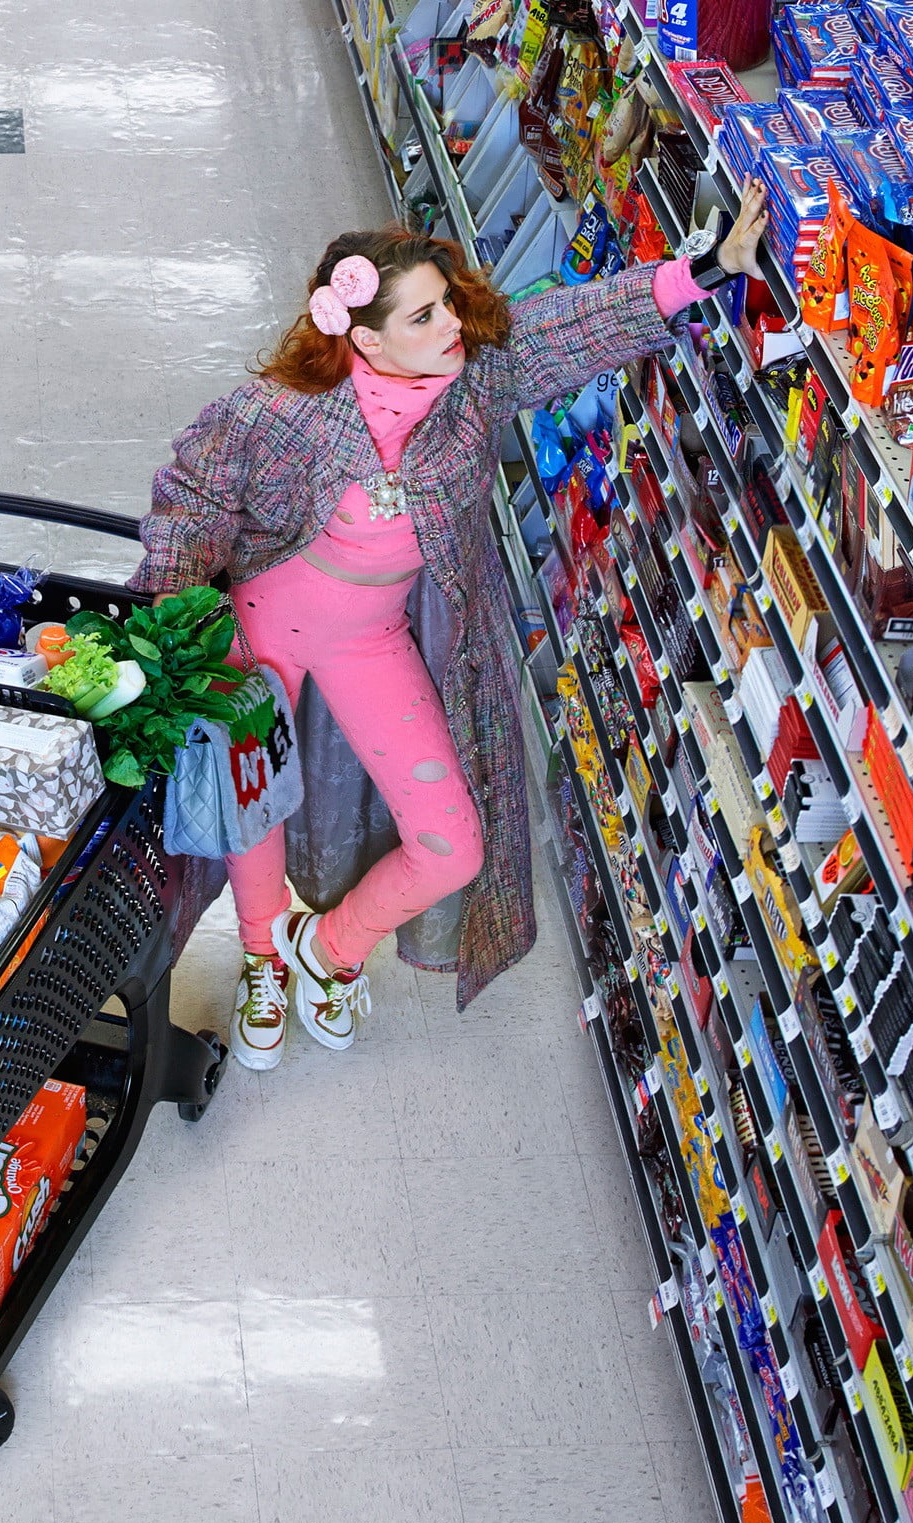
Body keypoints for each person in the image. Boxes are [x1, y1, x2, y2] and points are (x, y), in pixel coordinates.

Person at [133, 183, 769, 1071]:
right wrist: (165, 610)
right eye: (424, 315)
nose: (449, 328)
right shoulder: (283, 410)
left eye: (446, 305)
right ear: (362, 338)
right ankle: (264, 959)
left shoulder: (473, 388)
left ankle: (330, 951)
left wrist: (702, 271)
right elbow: (193, 491)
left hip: (370, 640)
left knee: (453, 841)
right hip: (257, 632)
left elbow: (571, 327)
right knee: (251, 805)